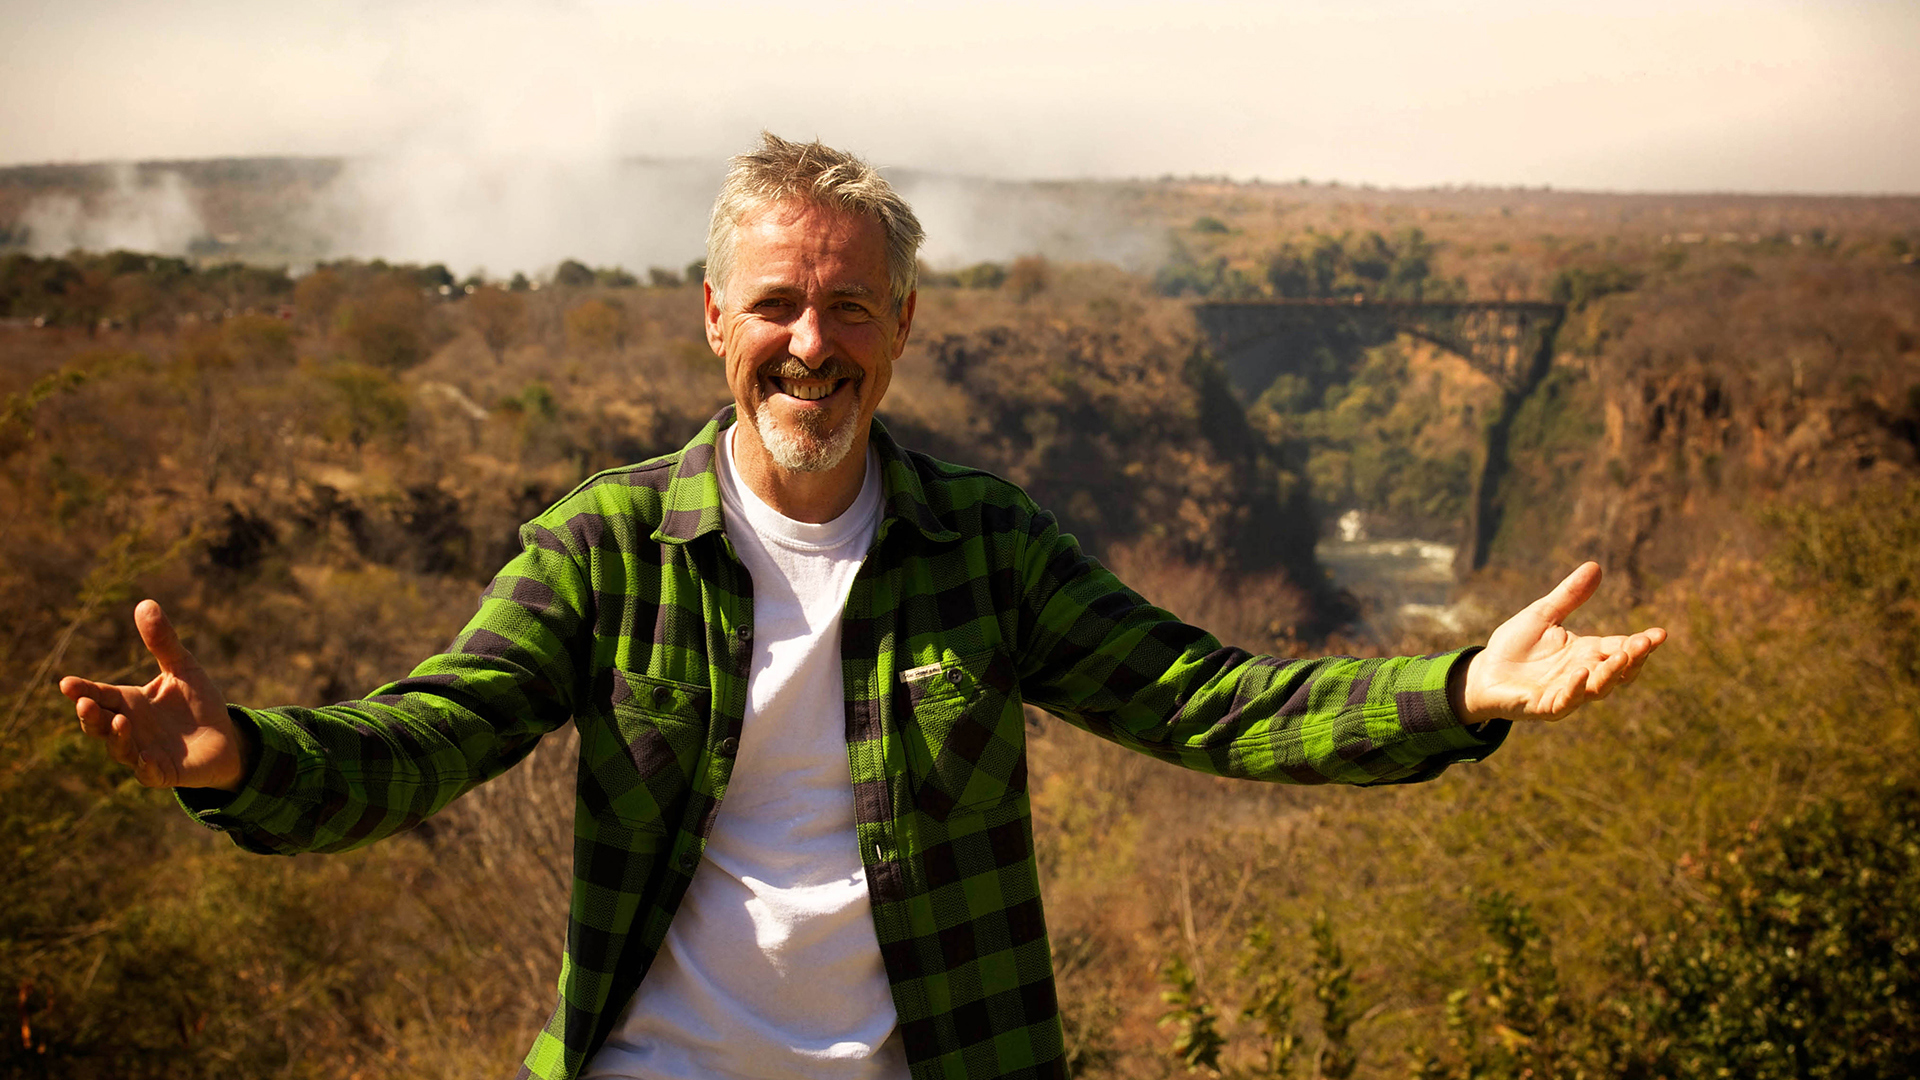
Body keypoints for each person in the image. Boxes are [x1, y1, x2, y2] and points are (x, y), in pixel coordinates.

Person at [58, 134, 1666, 1080]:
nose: (810, 344)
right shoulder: (603, 549)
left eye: (846, 306)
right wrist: (240, 763)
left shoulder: (987, 547)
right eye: (776, 304)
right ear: (713, 320)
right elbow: (425, 737)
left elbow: (1213, 701)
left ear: (902, 322)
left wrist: (1455, 693)